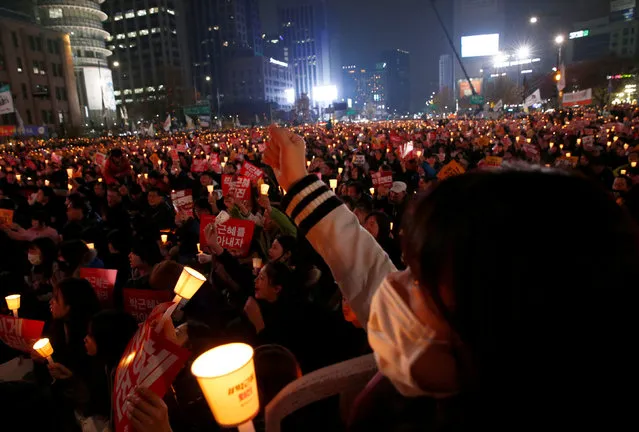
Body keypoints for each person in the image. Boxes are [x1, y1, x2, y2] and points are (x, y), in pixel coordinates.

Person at [264, 125, 639, 430]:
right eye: (411, 269)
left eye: (422, 284)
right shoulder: (440, 363)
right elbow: (368, 274)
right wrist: (299, 184)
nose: (396, 287)